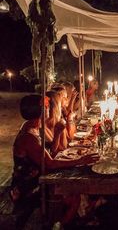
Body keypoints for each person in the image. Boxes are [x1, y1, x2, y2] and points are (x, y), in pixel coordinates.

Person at [10, 94, 99, 226]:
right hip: (29, 186)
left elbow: (51, 153)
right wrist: (80, 160)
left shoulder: (33, 126)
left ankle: (86, 213)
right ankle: (59, 226)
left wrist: (58, 133)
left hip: (39, 177)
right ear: (39, 110)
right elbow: (50, 163)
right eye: (46, 106)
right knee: (74, 196)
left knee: (75, 180)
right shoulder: (28, 137)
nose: (49, 109)